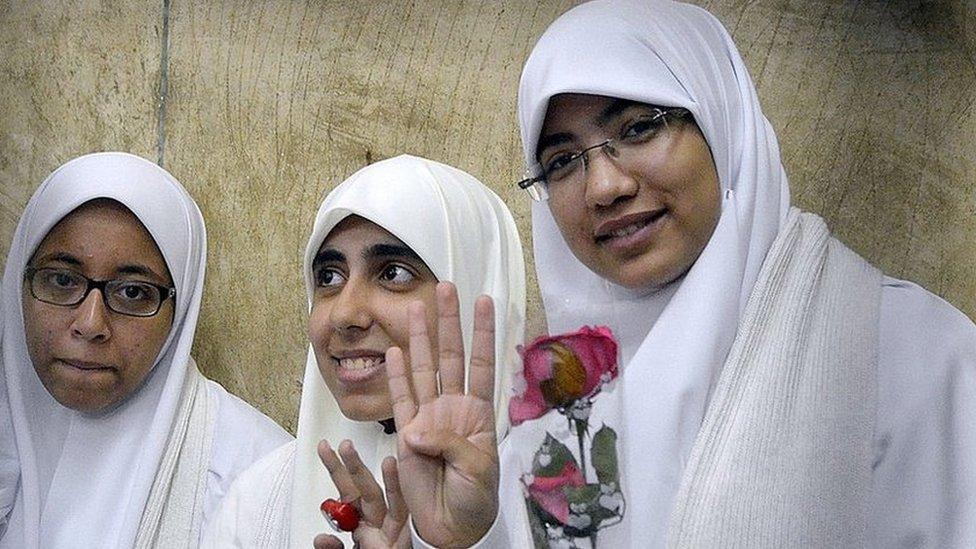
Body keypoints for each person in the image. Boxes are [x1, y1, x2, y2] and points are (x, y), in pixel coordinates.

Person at [382, 1, 976, 547]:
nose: (606, 188)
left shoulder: (905, 350)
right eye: (562, 161)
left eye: (639, 128)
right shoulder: (560, 392)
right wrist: (470, 535)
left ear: (721, 119)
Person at [201, 154, 526, 547]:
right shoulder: (257, 503)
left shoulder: (569, 495)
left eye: (394, 273)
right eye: (329, 277)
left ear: (475, 282)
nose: (345, 313)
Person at [0, 152, 291, 548]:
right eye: (62, 280)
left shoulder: (257, 478)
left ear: (180, 308)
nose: (89, 324)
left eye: (133, 292)